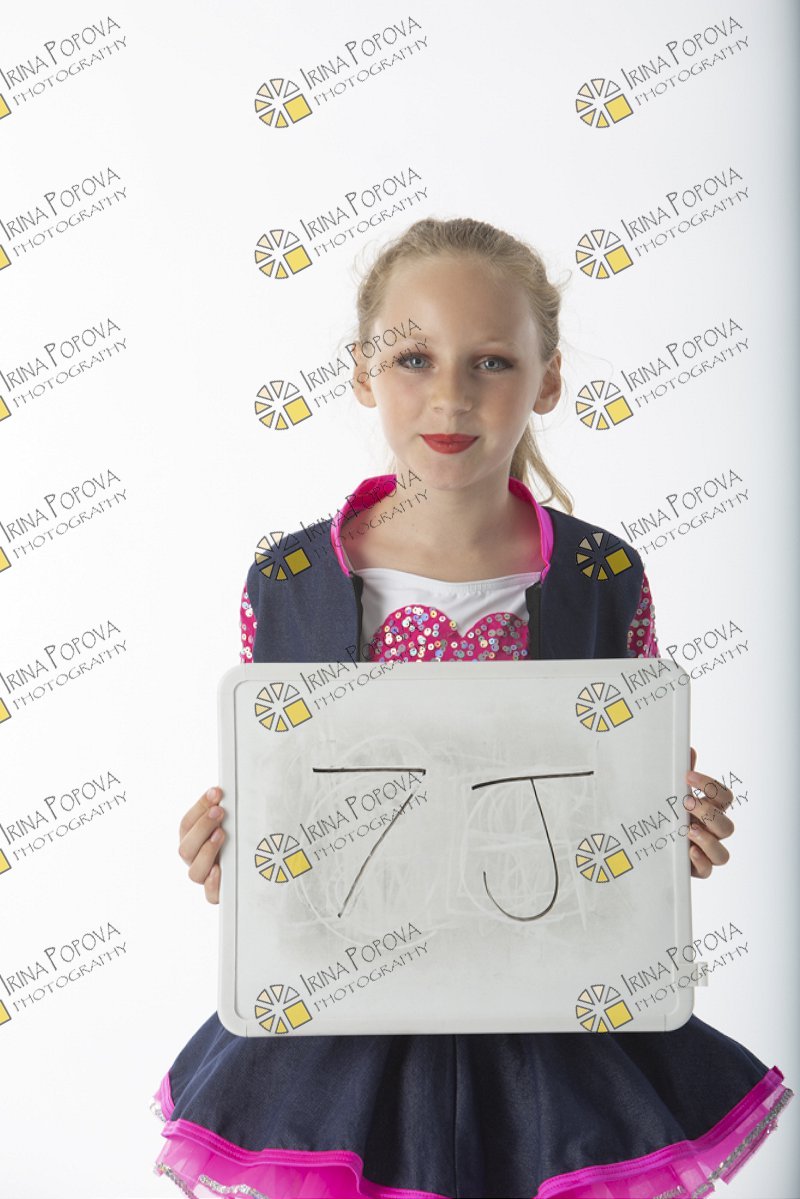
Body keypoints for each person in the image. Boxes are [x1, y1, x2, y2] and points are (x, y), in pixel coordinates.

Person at [152, 217, 793, 1198]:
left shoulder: (602, 574)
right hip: (348, 1017)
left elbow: (616, 799)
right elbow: (286, 798)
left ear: (547, 379)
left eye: (491, 361)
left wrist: (670, 836)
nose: (450, 395)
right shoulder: (287, 578)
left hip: (547, 1012)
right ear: (362, 372)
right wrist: (232, 855)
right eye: (414, 358)